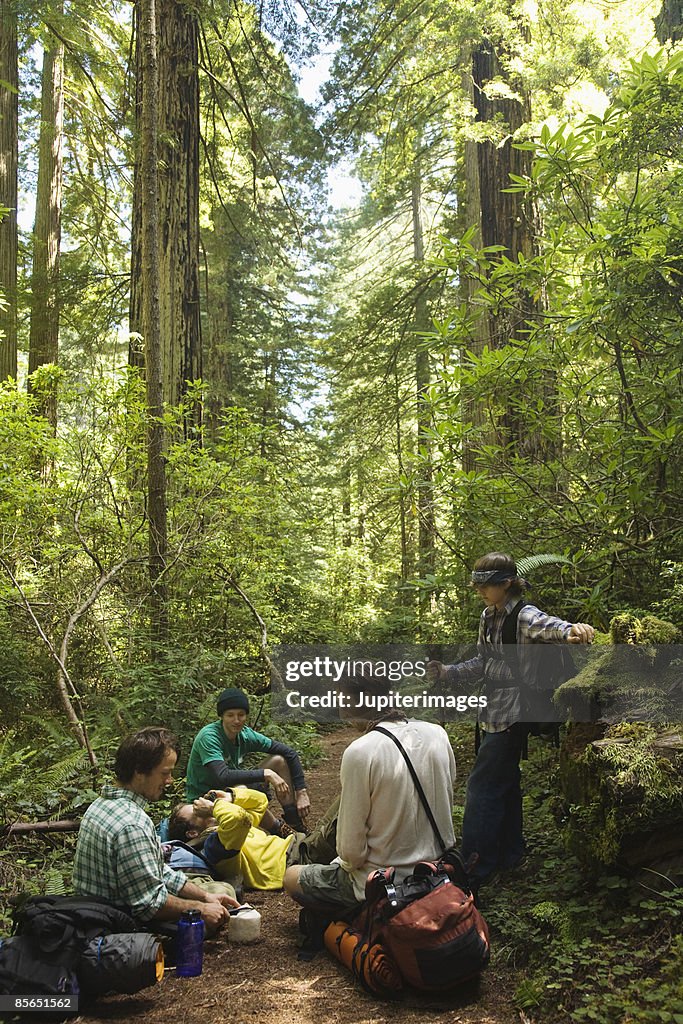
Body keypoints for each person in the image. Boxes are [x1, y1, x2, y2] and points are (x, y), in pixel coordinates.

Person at [427, 551, 595, 893]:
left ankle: (474, 866)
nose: (479, 592)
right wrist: (448, 673)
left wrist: (573, 630)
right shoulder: (489, 615)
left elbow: (551, 627)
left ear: (506, 583)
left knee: (481, 788)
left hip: (514, 713)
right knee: (504, 783)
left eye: (485, 586)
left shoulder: (523, 615)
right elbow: (483, 662)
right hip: (492, 711)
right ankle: (510, 853)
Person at [283, 712, 456, 915]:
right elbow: (447, 794)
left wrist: (341, 862)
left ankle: (359, 916)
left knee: (291, 877)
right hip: (436, 873)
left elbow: (352, 854)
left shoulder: (361, 751)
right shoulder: (437, 734)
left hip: (382, 883)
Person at [73, 727, 238, 933]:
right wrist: (201, 908)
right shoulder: (131, 824)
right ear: (139, 771)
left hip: (97, 914)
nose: (169, 781)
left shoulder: (101, 804)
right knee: (205, 920)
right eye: (165, 773)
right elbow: (149, 904)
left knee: (215, 895)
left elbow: (157, 870)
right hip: (115, 926)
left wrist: (205, 896)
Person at [185, 687, 311, 833]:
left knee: (279, 760)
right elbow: (223, 776)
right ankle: (278, 829)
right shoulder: (209, 737)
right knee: (241, 790)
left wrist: (301, 792)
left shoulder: (245, 735)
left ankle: (294, 821)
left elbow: (289, 753)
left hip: (231, 790)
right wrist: (266, 774)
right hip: (204, 800)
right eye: (230, 715)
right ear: (222, 716)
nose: (236, 720)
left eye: (241, 715)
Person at [168, 787, 339, 891]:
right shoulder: (213, 847)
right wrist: (214, 808)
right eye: (197, 811)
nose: (202, 807)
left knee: (352, 788)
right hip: (302, 858)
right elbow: (238, 820)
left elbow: (260, 802)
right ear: (192, 833)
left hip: (304, 842)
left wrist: (230, 797)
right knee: (356, 798)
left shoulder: (224, 826)